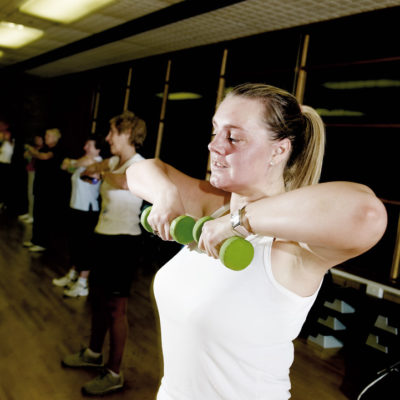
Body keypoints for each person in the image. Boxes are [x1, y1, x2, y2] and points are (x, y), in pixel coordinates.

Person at [125, 83, 388, 400]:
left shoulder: (291, 246)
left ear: (279, 150)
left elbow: (368, 214)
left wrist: (242, 222)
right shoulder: (216, 208)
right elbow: (139, 171)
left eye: (233, 137)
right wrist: (166, 195)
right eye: (215, 132)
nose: (215, 146)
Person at [61, 110, 147, 396]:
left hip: (124, 243)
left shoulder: (139, 165)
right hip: (103, 236)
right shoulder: (114, 161)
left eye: (112, 133)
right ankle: (93, 353)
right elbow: (89, 171)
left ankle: (113, 373)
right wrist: (94, 171)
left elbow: (124, 182)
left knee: (116, 309)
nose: (108, 138)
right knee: (98, 301)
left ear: (126, 134)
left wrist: (101, 173)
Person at [52, 134, 104, 297]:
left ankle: (82, 284)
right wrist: (73, 163)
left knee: (85, 247)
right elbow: (64, 166)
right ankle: (73, 275)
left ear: (98, 149)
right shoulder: (83, 162)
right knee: (75, 244)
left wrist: (72, 162)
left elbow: (72, 164)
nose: (85, 148)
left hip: (88, 210)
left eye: (89, 146)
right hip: (76, 207)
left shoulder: (98, 163)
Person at [23, 128, 65, 252]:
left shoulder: (57, 149)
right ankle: (35, 239)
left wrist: (30, 150)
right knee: (37, 214)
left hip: (50, 189)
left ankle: (42, 242)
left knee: (44, 216)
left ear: (55, 138)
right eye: (46, 135)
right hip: (40, 185)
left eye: (48, 135)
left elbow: (44, 157)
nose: (45, 137)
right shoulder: (44, 148)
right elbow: (30, 156)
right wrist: (30, 152)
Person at [18, 134, 44, 223]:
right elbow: (25, 156)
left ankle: (32, 215)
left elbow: (39, 155)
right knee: (29, 193)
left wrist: (30, 149)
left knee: (32, 194)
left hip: (36, 173)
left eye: (39, 138)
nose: (36, 140)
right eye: (36, 138)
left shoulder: (44, 149)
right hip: (30, 171)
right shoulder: (34, 148)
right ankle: (29, 213)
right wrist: (29, 151)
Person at [0, 120, 15, 211]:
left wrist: (5, 139)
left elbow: (11, 150)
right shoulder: (2, 138)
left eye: (2, 125)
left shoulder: (10, 140)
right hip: (1, 162)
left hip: (6, 165)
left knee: (4, 184)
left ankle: (4, 203)